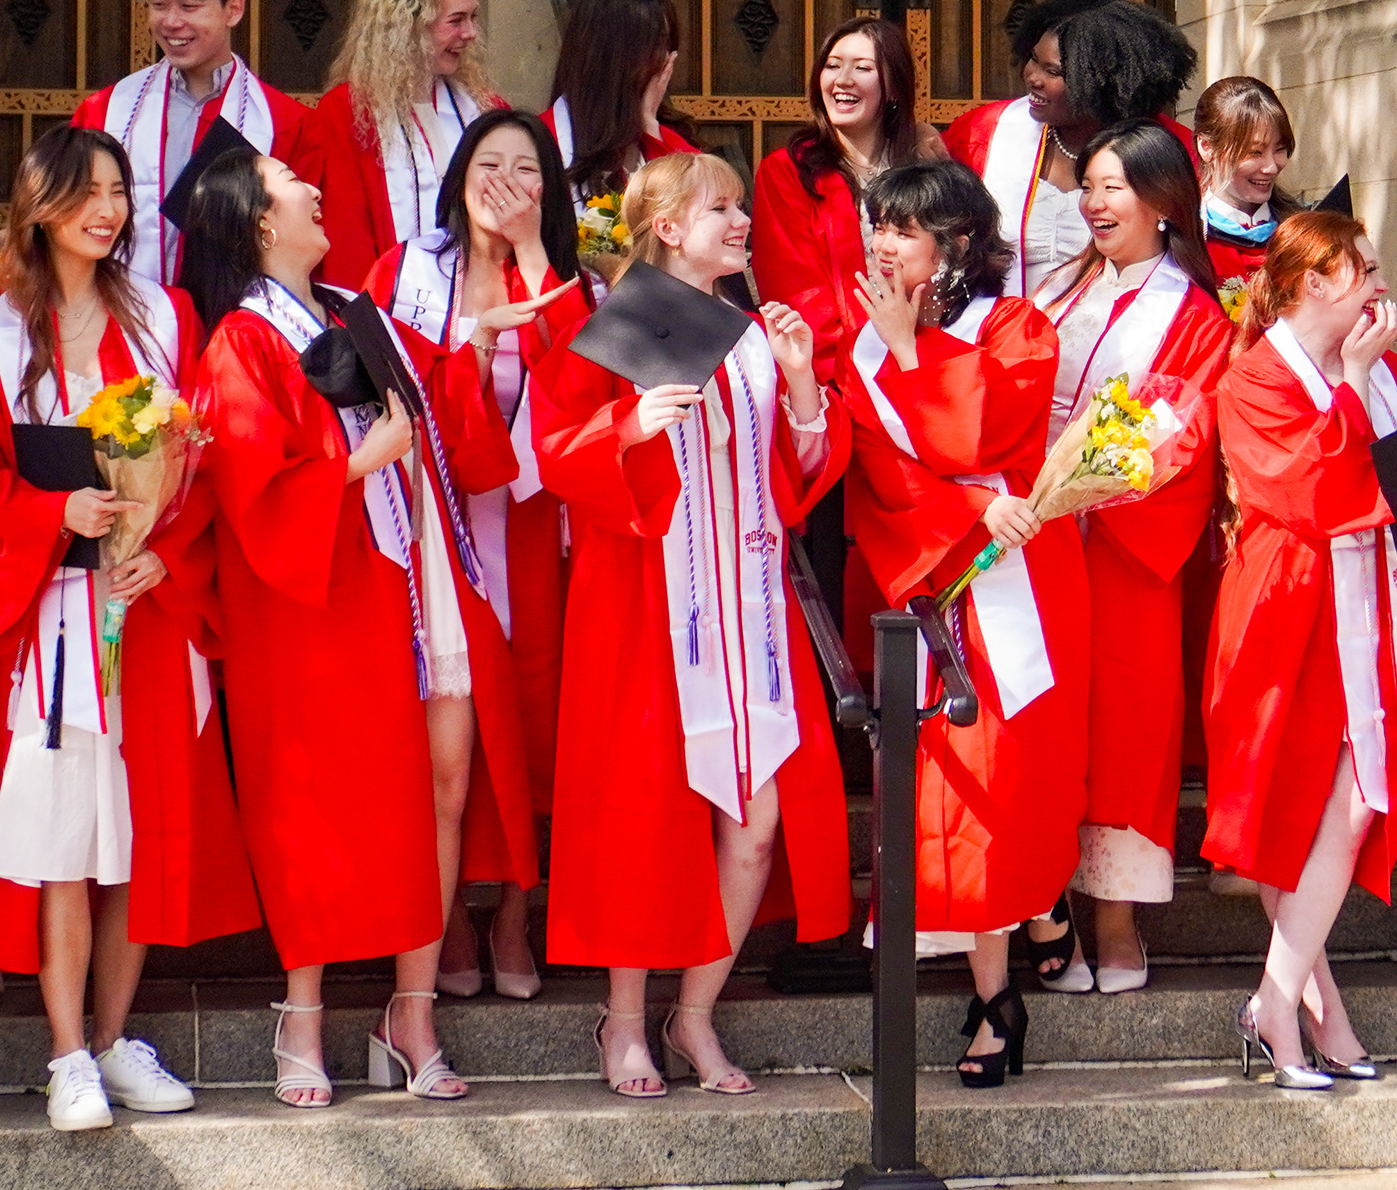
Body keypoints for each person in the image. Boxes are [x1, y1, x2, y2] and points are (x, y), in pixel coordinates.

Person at [534, 153, 848, 1099]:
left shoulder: (752, 334)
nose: (742, 220)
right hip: (647, 606)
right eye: (721, 207)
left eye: (742, 205)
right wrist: (627, 428)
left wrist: (801, 386)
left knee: (756, 823)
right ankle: (625, 1021)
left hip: (751, 609)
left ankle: (696, 1012)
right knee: (644, 818)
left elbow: (797, 477)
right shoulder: (613, 328)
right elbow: (555, 454)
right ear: (668, 227)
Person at [0, 127, 230, 1132]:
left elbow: (205, 458)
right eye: (86, 192)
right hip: (54, 615)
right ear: (40, 206)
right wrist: (52, 513)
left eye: (118, 191)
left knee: (137, 836)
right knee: (66, 838)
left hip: (146, 611)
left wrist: (167, 550)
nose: (108, 210)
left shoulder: (165, 315)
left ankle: (112, 1038)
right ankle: (66, 1053)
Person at [174, 143, 466, 1105]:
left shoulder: (349, 313)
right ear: (262, 221)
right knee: (307, 802)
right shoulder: (242, 339)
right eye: (290, 184)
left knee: (402, 795)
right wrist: (362, 461)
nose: (311, 188)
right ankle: (300, 1015)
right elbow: (250, 483)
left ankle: (409, 1011)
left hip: (381, 581)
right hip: (298, 602)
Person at [1203, 211, 1397, 1089]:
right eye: (1362, 267)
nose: (1379, 281)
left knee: (1356, 801)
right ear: (1314, 282)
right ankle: (1305, 1014)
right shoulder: (1253, 378)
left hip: (1374, 604)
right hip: (1288, 613)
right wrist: (1353, 380)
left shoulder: (1392, 373)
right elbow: (1312, 492)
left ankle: (1280, 1003)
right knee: (1298, 810)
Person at [838, 157, 1093, 1087]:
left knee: (1018, 780)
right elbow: (884, 473)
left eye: (903, 229)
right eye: (878, 225)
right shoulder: (859, 344)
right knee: (961, 794)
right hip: (936, 578)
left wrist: (911, 354)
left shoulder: (1014, 324)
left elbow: (980, 435)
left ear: (956, 242)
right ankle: (996, 993)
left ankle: (1038, 913)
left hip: (1021, 578)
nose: (883, 244)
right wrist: (968, 512)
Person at [363, 107, 579, 1004]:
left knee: (533, 719)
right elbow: (377, 387)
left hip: (528, 524)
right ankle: (445, 910)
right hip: (432, 524)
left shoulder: (565, 280)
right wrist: (474, 346)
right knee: (441, 731)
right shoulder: (406, 271)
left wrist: (532, 255)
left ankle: (516, 911)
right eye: (488, 165)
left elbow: (581, 386)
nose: (504, 184)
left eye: (526, 170)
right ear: (457, 178)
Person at [1027, 122, 1234, 995]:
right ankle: (1043, 906)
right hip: (1036, 537)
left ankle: (1115, 917)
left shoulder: (1195, 315)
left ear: (1162, 202)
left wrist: (1088, 480)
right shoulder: (1057, 290)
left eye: (1113, 187)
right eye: (1089, 186)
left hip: (1123, 546)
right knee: (1044, 726)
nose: (1094, 202)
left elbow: (1186, 424)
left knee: (1125, 730)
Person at [74, 0, 295, 291]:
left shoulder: (283, 122)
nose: (171, 21)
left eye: (189, 6)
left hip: (232, 319)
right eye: (159, 5)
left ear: (233, 9)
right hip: (122, 311)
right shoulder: (107, 111)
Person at [947, 0, 1196, 297]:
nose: (1032, 77)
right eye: (1033, 59)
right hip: (1003, 322)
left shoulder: (1171, 152)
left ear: (1102, 83)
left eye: (1053, 71)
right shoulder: (984, 133)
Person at [293, 0, 498, 296]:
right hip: (389, 309)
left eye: (473, 17)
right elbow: (346, 243)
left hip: (482, 304)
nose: (470, 33)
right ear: (408, 24)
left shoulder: (486, 110)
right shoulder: (347, 114)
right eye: (455, 20)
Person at [749, 12, 935, 348]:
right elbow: (796, 294)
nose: (842, 80)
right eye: (832, 66)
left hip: (927, 352)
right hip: (839, 364)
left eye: (862, 68)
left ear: (894, 87)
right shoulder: (788, 171)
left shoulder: (925, 164)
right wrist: (861, 365)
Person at [545, 0, 697, 217]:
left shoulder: (670, 140)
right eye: (658, 47)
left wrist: (650, 126)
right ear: (615, 57)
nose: (666, 62)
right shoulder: (539, 142)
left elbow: (701, 211)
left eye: (668, 48)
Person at [1190, 75, 1302, 286]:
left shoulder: (1304, 234)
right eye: (1255, 152)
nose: (1271, 167)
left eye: (1279, 149)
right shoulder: (1185, 241)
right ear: (1207, 147)